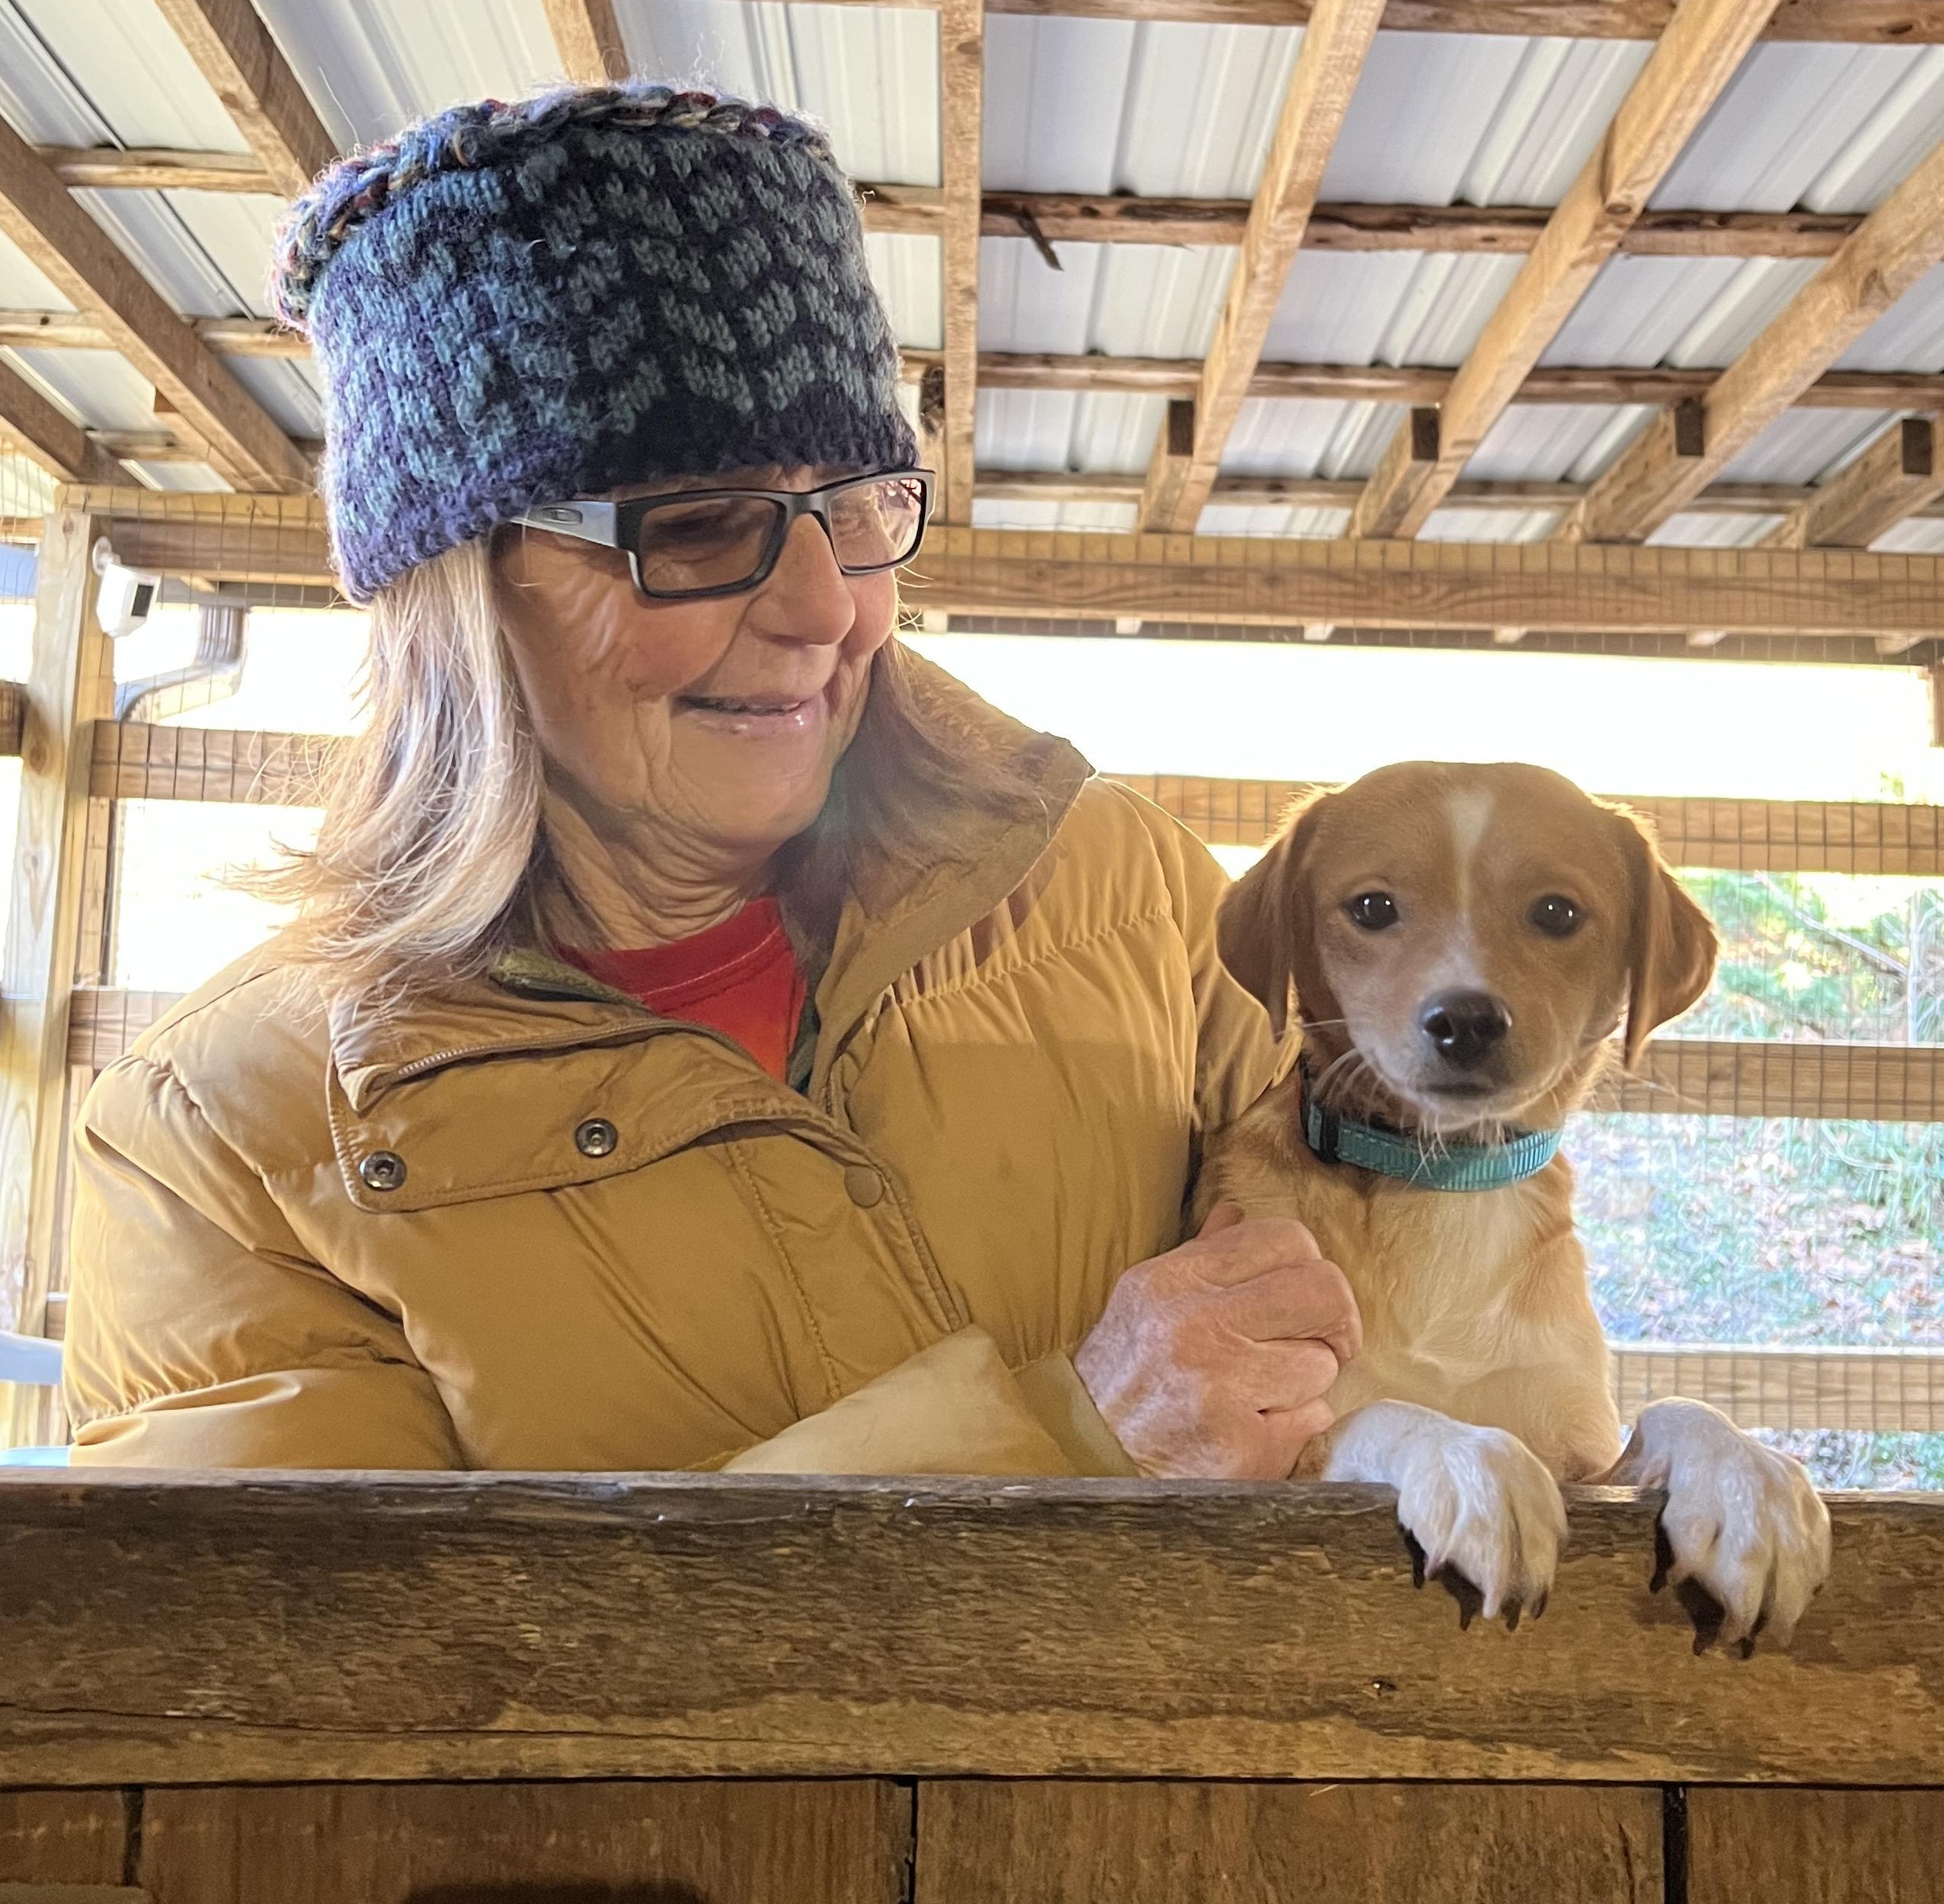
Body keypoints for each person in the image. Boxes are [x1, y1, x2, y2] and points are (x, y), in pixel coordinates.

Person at [62, 82, 1358, 1476]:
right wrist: (1063, 1438)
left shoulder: (1116, 886)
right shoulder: (224, 1138)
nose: (827, 607)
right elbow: (360, 1683)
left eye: (855, 504)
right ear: (462, 596)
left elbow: (1393, 1268)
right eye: (691, 525)